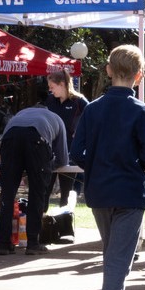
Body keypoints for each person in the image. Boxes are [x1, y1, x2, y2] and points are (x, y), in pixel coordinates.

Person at [70, 45, 145, 290]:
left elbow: (76, 152)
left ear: (108, 70)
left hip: (99, 192)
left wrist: (96, 166)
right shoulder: (141, 111)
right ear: (139, 75)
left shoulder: (92, 109)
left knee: (114, 261)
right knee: (118, 264)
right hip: (130, 192)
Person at [0, 83, 69, 255]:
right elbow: (63, 159)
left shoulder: (20, 114)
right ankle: (33, 243)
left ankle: (4, 244)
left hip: (10, 139)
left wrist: (19, 167)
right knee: (36, 194)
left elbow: (3, 147)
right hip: (37, 140)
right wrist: (45, 166)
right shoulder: (56, 119)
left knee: (7, 194)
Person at [46, 68, 90, 207]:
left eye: (52, 87)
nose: (50, 90)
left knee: (66, 195)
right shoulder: (50, 100)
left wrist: (82, 133)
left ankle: (65, 220)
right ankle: (40, 219)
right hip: (50, 153)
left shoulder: (79, 101)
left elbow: (93, 121)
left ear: (62, 84)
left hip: (70, 153)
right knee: (44, 192)